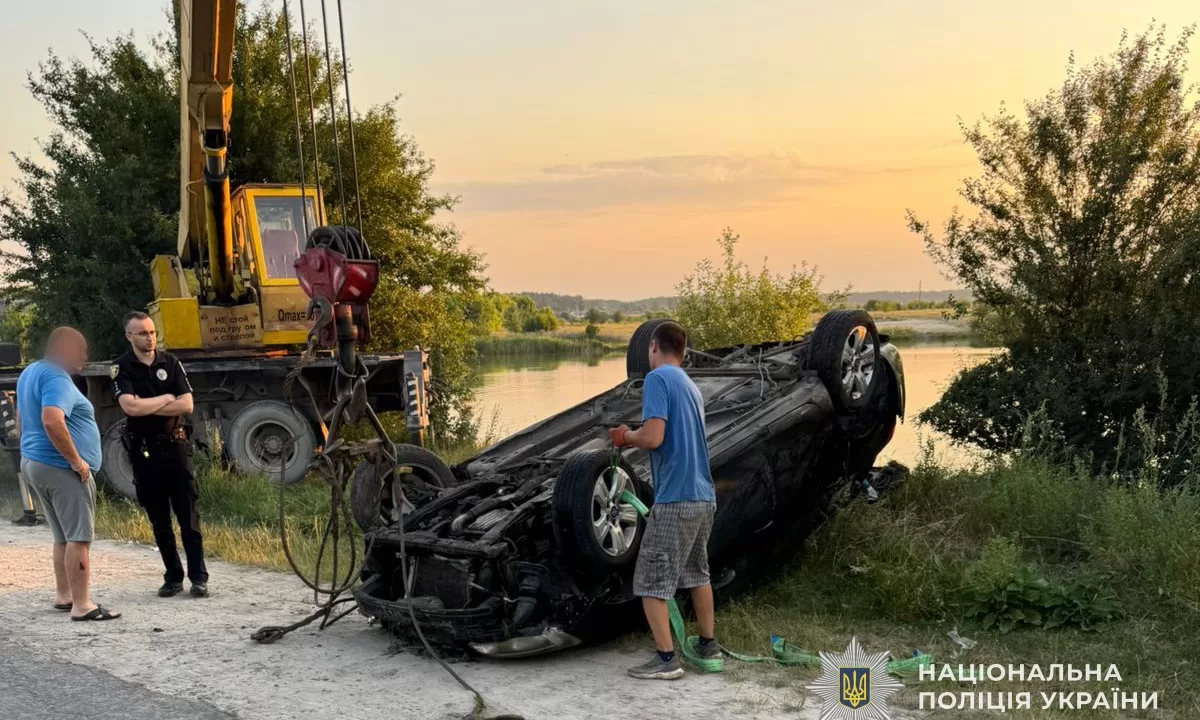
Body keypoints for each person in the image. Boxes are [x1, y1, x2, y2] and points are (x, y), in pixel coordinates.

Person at [610, 320, 718, 680]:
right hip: (703, 496)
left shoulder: (657, 379)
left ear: (653, 346)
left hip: (675, 499)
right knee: (697, 574)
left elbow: (654, 437)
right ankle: (708, 646)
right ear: (683, 351)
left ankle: (666, 659)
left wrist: (625, 436)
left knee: (650, 582)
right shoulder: (690, 385)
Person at [16, 326, 121, 621]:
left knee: (62, 536)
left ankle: (65, 595)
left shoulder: (31, 372)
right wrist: (76, 461)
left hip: (36, 462)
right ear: (61, 347)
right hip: (60, 467)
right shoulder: (56, 377)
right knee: (79, 537)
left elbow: (22, 418)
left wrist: (30, 450)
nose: (84, 356)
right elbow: (52, 420)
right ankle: (82, 605)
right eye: (80, 350)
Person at [113, 311, 208, 598]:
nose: (150, 338)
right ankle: (173, 577)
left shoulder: (170, 362)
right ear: (129, 336)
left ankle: (198, 578)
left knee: (188, 516)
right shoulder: (122, 367)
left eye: (152, 332)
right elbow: (130, 407)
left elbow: (187, 405)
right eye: (143, 333)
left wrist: (149, 405)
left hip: (176, 447)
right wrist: (167, 398)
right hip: (145, 451)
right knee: (160, 519)